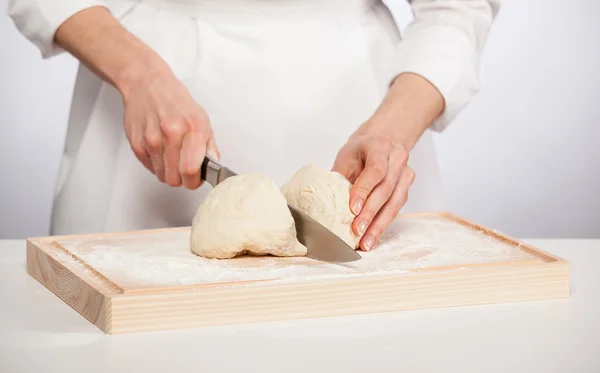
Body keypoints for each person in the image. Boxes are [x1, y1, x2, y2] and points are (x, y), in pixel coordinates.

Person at [8, 0, 499, 251]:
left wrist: (392, 131)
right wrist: (137, 73)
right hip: (142, 102)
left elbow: (454, 7)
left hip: (358, 102)